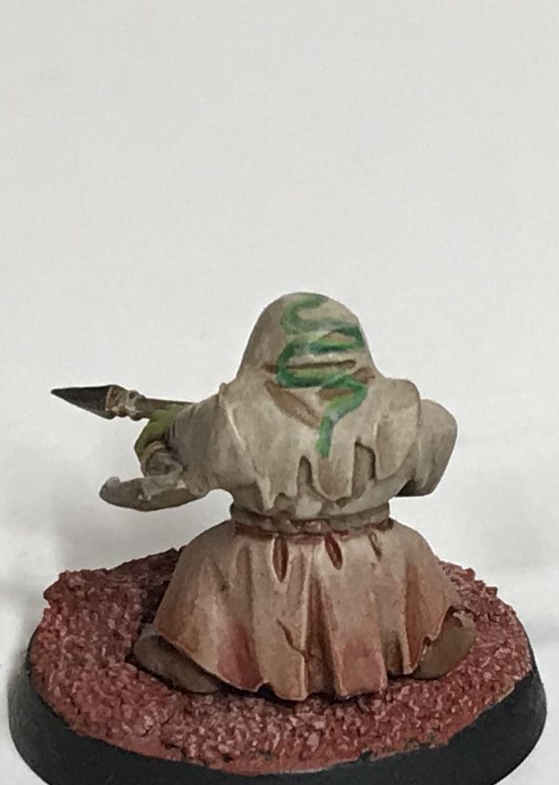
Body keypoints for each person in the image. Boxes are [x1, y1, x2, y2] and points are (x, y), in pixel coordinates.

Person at [102, 291, 474, 699]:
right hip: (376, 549)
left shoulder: (224, 419)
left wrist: (156, 443)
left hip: (260, 557)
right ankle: (419, 640)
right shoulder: (421, 418)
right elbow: (421, 483)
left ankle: (203, 657)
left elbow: (179, 468)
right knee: (410, 553)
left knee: (205, 561)